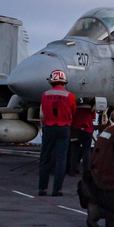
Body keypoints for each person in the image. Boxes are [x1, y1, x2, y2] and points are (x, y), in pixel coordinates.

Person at [37, 69, 75, 197]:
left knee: (45, 159)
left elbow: (42, 111)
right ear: (64, 81)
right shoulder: (70, 96)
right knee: (61, 160)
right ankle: (57, 190)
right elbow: (73, 110)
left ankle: (42, 188)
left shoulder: (44, 95)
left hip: (48, 127)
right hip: (63, 127)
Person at [66, 97, 95, 176]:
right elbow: (93, 118)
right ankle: (86, 171)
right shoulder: (90, 108)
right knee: (86, 151)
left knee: (75, 151)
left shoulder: (75, 108)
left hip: (76, 130)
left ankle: (72, 170)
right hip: (87, 131)